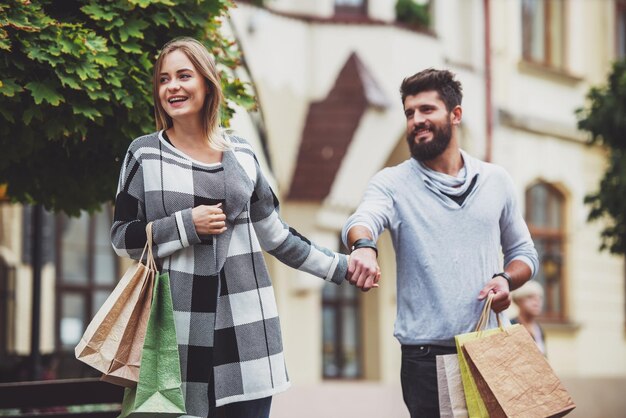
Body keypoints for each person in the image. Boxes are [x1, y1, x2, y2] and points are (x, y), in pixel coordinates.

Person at [111, 37, 353, 418]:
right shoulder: (143, 154)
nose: (172, 86)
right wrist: (186, 225)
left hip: (248, 335)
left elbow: (276, 235)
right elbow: (122, 239)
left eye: (184, 76)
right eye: (163, 79)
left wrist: (341, 266)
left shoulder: (241, 153)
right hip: (176, 337)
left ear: (207, 83)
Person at [342, 68, 539, 418]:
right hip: (426, 357)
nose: (416, 120)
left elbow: (523, 253)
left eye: (427, 110)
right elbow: (363, 220)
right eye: (409, 113)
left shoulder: (496, 180)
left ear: (455, 114)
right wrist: (364, 247)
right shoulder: (392, 183)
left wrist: (506, 280)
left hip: (491, 347)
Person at [511, 280, 546, 355]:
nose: (537, 301)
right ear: (518, 300)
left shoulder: (538, 329)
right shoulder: (510, 326)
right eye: (530, 297)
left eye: (540, 297)